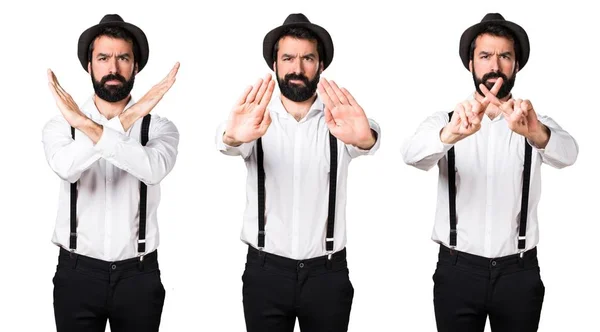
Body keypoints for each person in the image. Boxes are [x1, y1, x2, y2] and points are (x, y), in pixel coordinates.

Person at [401, 13, 579, 332]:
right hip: (457, 272)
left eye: (504, 56)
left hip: (519, 274)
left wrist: (536, 133)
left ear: (516, 66)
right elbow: (412, 156)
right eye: (485, 56)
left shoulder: (535, 123)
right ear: (471, 64)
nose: (494, 65)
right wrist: (449, 134)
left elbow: (569, 154)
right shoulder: (445, 120)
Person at [216, 13, 381, 332]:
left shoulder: (341, 120)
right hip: (265, 273)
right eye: (288, 58)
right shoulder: (254, 120)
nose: (297, 67)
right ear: (275, 65)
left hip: (328, 275)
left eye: (308, 58)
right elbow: (229, 142)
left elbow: (367, 138)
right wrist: (232, 135)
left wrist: (366, 137)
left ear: (321, 65)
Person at [43, 14, 180, 332]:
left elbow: (152, 170)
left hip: (139, 277)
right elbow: (66, 168)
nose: (114, 68)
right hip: (76, 275)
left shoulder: (159, 128)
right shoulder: (62, 124)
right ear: (89, 66)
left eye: (123, 58)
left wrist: (90, 127)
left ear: (135, 67)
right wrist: (124, 118)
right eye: (103, 58)